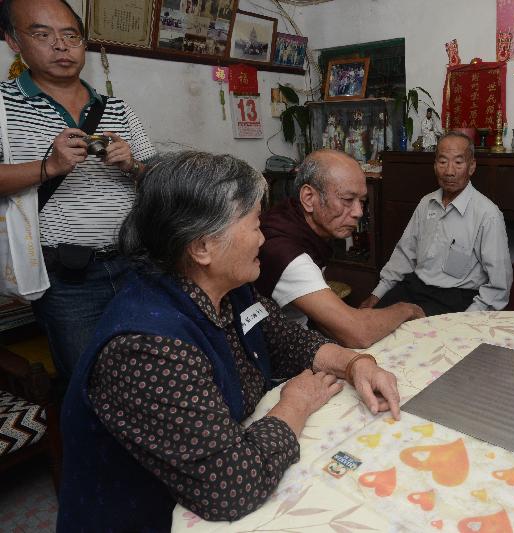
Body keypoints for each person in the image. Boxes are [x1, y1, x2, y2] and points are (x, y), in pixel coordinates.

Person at [58, 152, 402, 531]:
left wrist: (356, 364)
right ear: (202, 247)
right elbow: (231, 486)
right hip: (147, 518)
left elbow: (289, 342)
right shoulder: (146, 346)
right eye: (255, 224)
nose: (263, 237)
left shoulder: (231, 288)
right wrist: (296, 404)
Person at [0, 0, 154, 382]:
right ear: (13, 41)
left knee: (147, 370)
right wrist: (47, 167)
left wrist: (132, 165)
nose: (61, 46)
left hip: (134, 263)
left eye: (71, 35)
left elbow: (160, 181)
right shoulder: (3, 106)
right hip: (67, 278)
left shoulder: (116, 108)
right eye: (42, 34)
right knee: (91, 381)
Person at [255, 149, 424, 348]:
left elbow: (326, 321)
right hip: (278, 358)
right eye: (347, 200)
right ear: (309, 198)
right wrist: (407, 309)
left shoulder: (295, 218)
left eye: (361, 201)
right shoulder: (284, 250)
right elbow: (358, 333)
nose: (358, 212)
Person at [361, 132, 512, 315]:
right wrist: (377, 295)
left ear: (471, 167)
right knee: (369, 320)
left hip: (455, 299)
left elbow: (499, 285)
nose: (449, 171)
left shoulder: (488, 214)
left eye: (458, 162)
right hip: (414, 287)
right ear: (434, 165)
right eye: (442, 162)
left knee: (413, 337)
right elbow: (404, 255)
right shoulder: (426, 203)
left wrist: (467, 320)